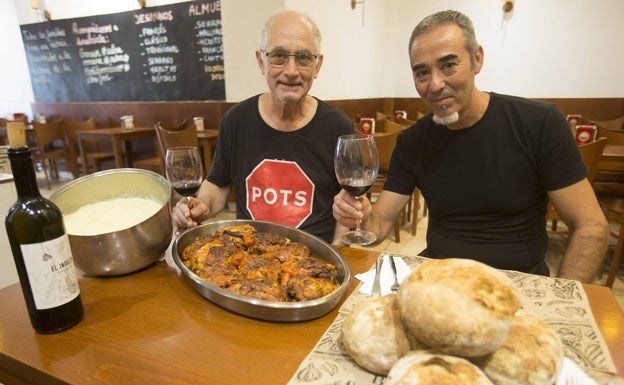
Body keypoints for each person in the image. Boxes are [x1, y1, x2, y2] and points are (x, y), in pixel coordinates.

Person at [332, 10, 610, 282]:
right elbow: (378, 224)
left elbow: (591, 227)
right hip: (439, 278)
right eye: (422, 73)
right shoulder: (412, 141)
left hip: (517, 280)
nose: (435, 84)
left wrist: (561, 301)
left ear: (477, 59)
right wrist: (355, 216)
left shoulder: (539, 123)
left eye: (449, 65)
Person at [173, 11, 354, 244]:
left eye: (303, 57)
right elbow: (217, 184)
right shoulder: (236, 120)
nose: (291, 71)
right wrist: (201, 205)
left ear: (317, 65)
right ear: (261, 61)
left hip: (313, 263)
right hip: (248, 258)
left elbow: (348, 206)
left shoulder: (338, 126)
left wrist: (339, 253)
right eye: (278, 56)